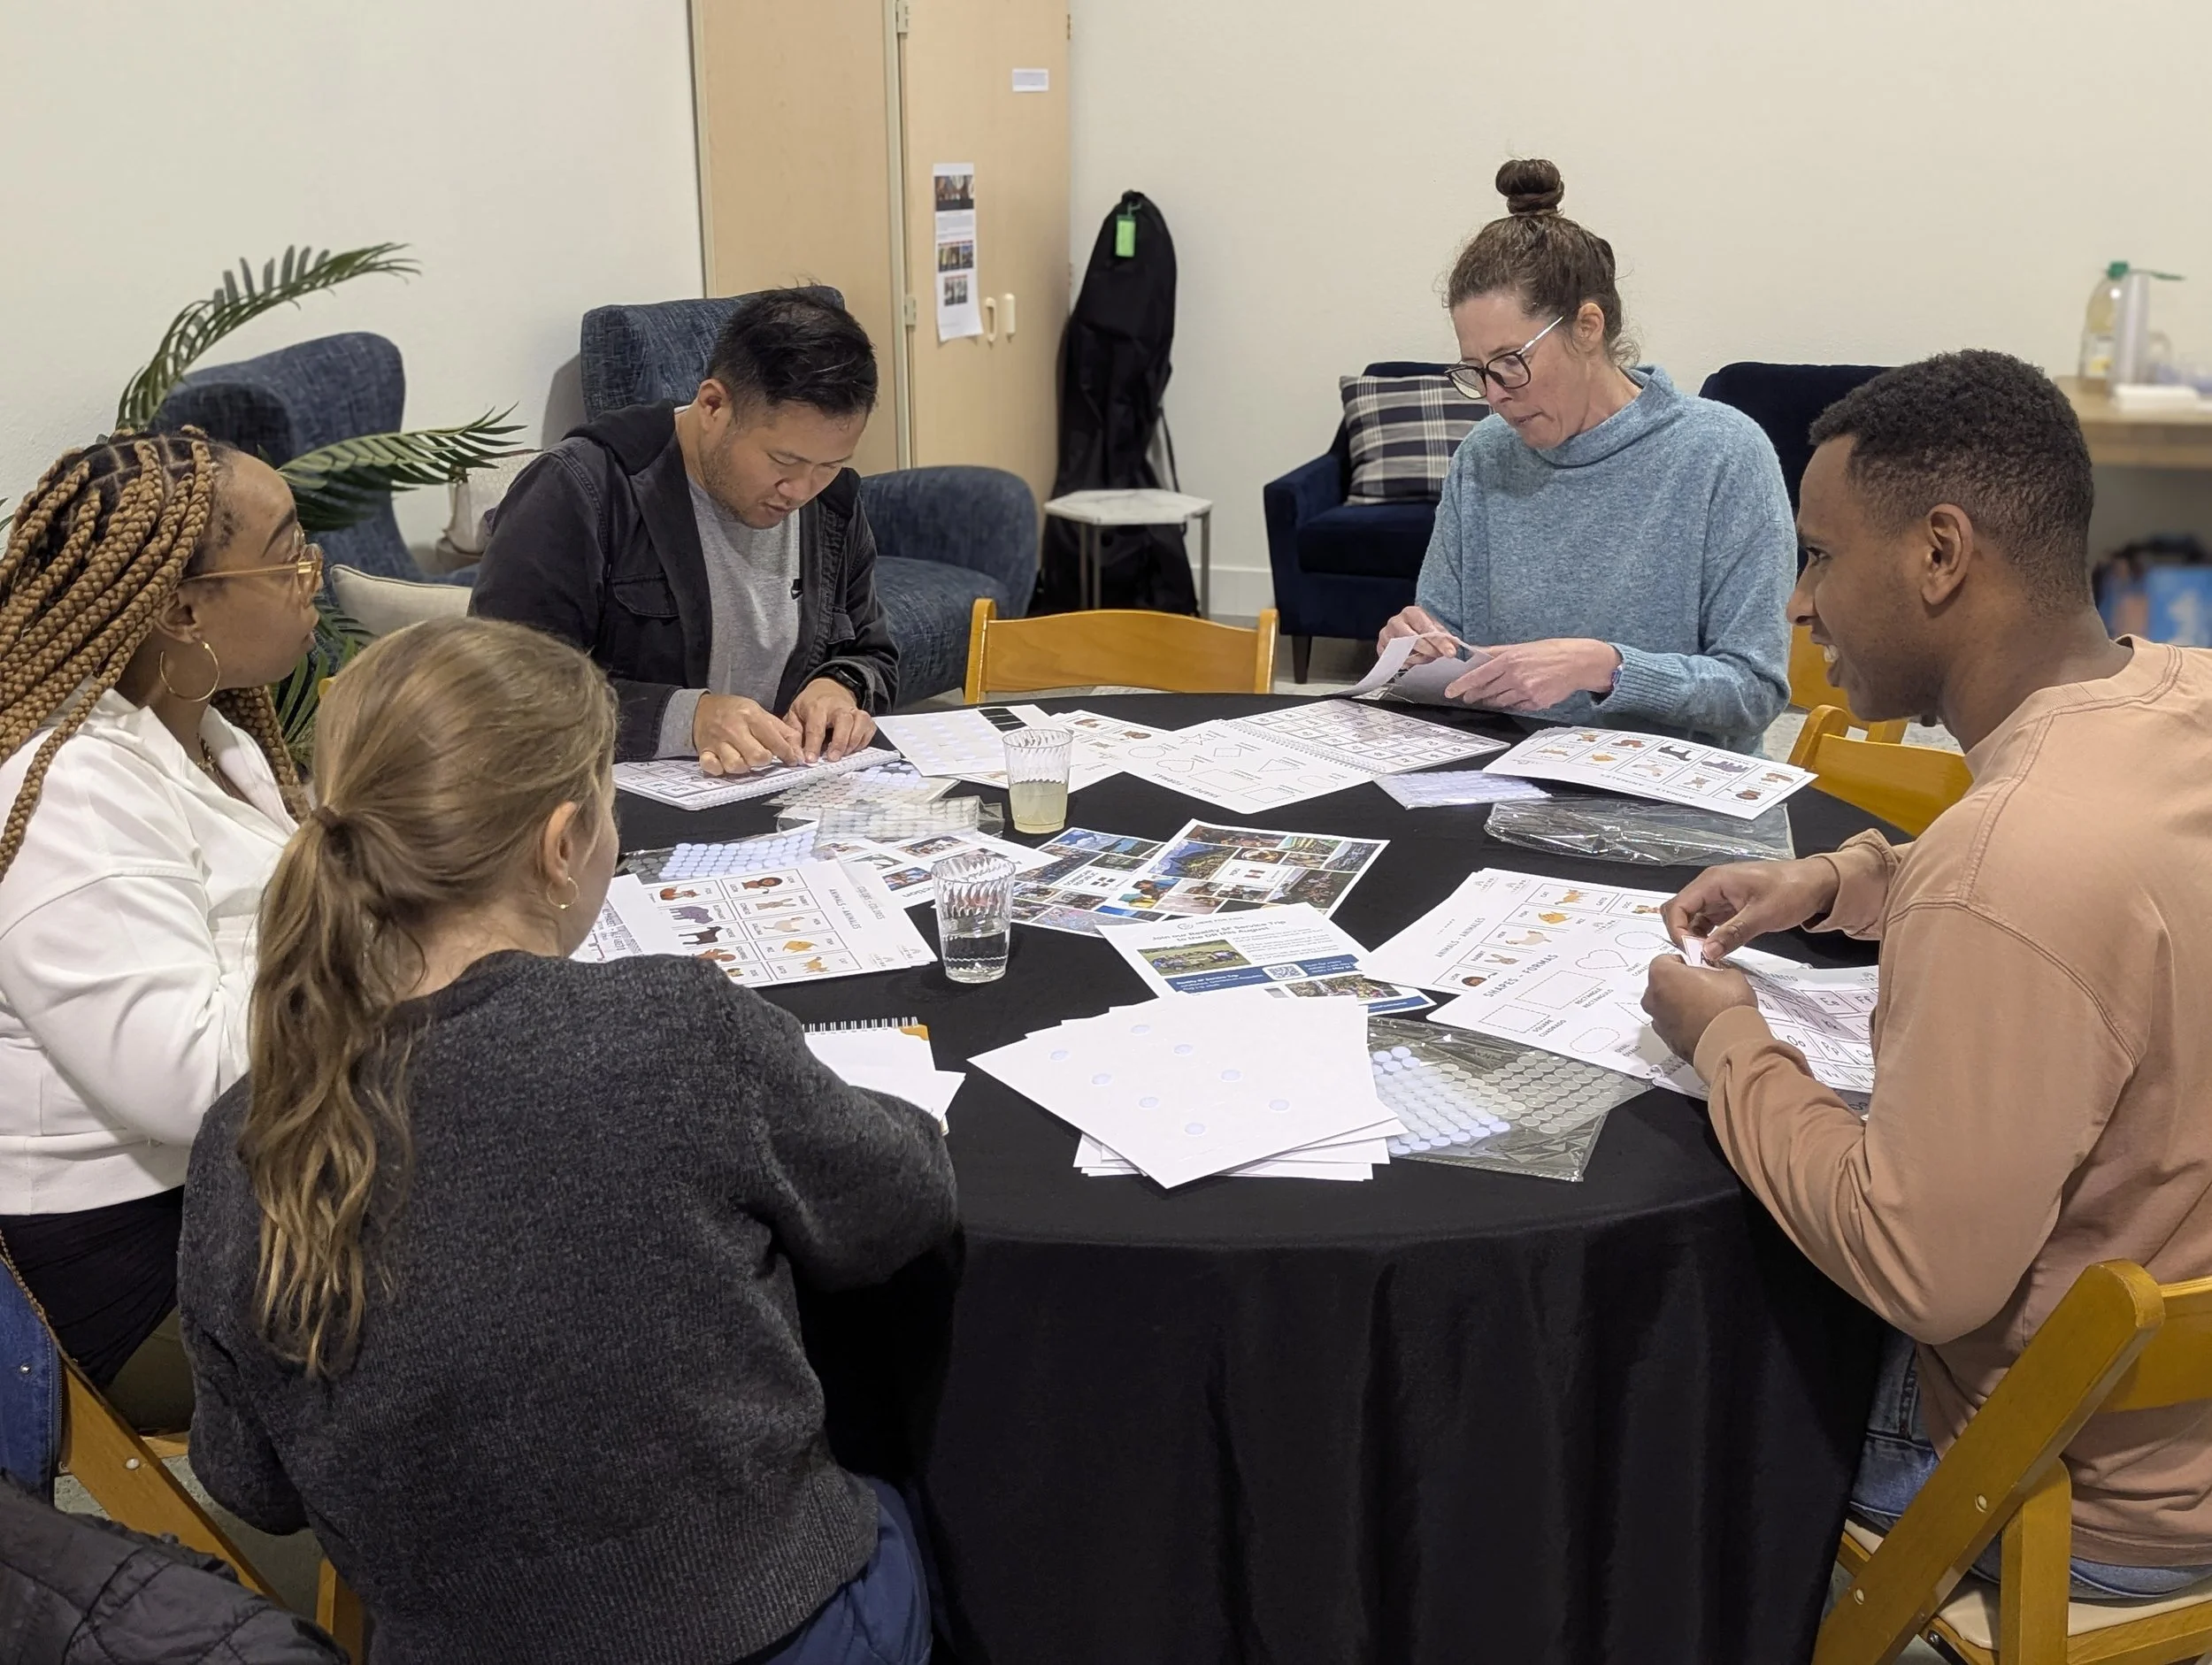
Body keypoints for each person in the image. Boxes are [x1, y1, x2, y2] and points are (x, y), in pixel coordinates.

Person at [178, 617, 955, 1664]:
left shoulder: (248, 1134)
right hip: (769, 1625)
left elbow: (251, 1482)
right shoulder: (673, 1031)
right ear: (560, 845)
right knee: (939, 1505)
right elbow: (903, 1201)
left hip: (451, 1645)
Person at [1643, 350, 2212, 1593]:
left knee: (1655, 1371)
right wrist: (1842, 878)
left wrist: (1727, 1041)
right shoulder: (2179, 696)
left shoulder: (2005, 861)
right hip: (2183, 1412)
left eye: (1818, 557)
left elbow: (1916, 1270)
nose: (1800, 605)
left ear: (1940, 554)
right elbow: (2107, 896)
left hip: (2071, 1479)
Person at [0, 432, 314, 1426]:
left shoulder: (208, 728)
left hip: (229, 1186)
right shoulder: (76, 794)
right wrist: (395, 949)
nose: (314, 574)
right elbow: (192, 1081)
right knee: (506, 1304)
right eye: (288, 552)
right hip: (127, 1262)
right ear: (182, 610)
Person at [1377, 158, 1794, 752]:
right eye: (1475, 371)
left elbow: (1753, 692)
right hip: (1502, 771)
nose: (1494, 395)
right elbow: (1447, 652)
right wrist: (1416, 650)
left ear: (1588, 327)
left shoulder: (1723, 454)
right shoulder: (1484, 457)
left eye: (1510, 363)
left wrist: (1607, 668)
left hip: (1665, 788)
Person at [472, 287, 896, 776]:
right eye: (783, 460)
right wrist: (687, 718)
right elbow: (502, 691)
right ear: (713, 405)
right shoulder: (582, 488)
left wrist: (840, 686)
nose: (801, 490)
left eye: (829, 465)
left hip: (786, 793)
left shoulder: (832, 502)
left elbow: (873, 652)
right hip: (611, 801)